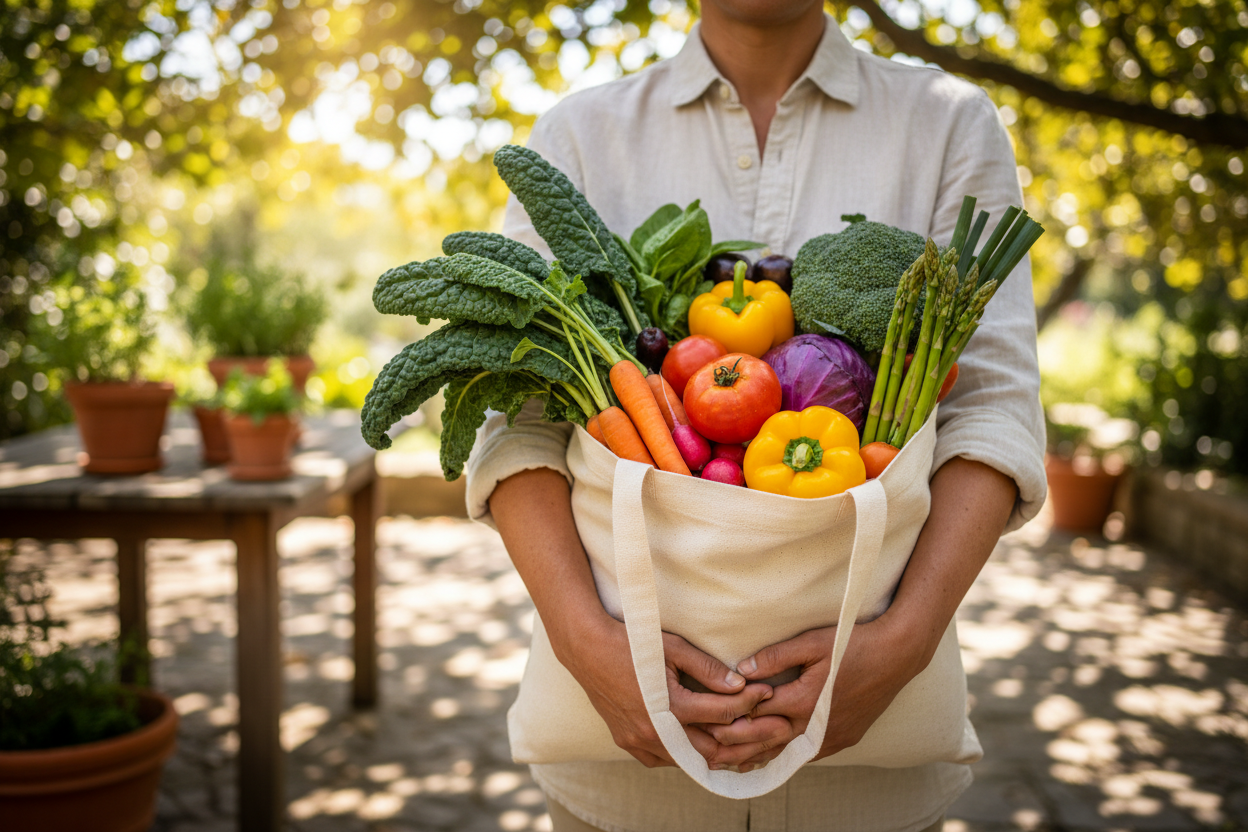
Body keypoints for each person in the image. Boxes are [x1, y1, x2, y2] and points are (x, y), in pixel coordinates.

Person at [463, 0, 1047, 829]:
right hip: (623, 782)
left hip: (870, 778)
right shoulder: (578, 137)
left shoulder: (948, 125)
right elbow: (515, 417)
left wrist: (904, 644)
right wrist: (584, 643)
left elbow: (992, 405)